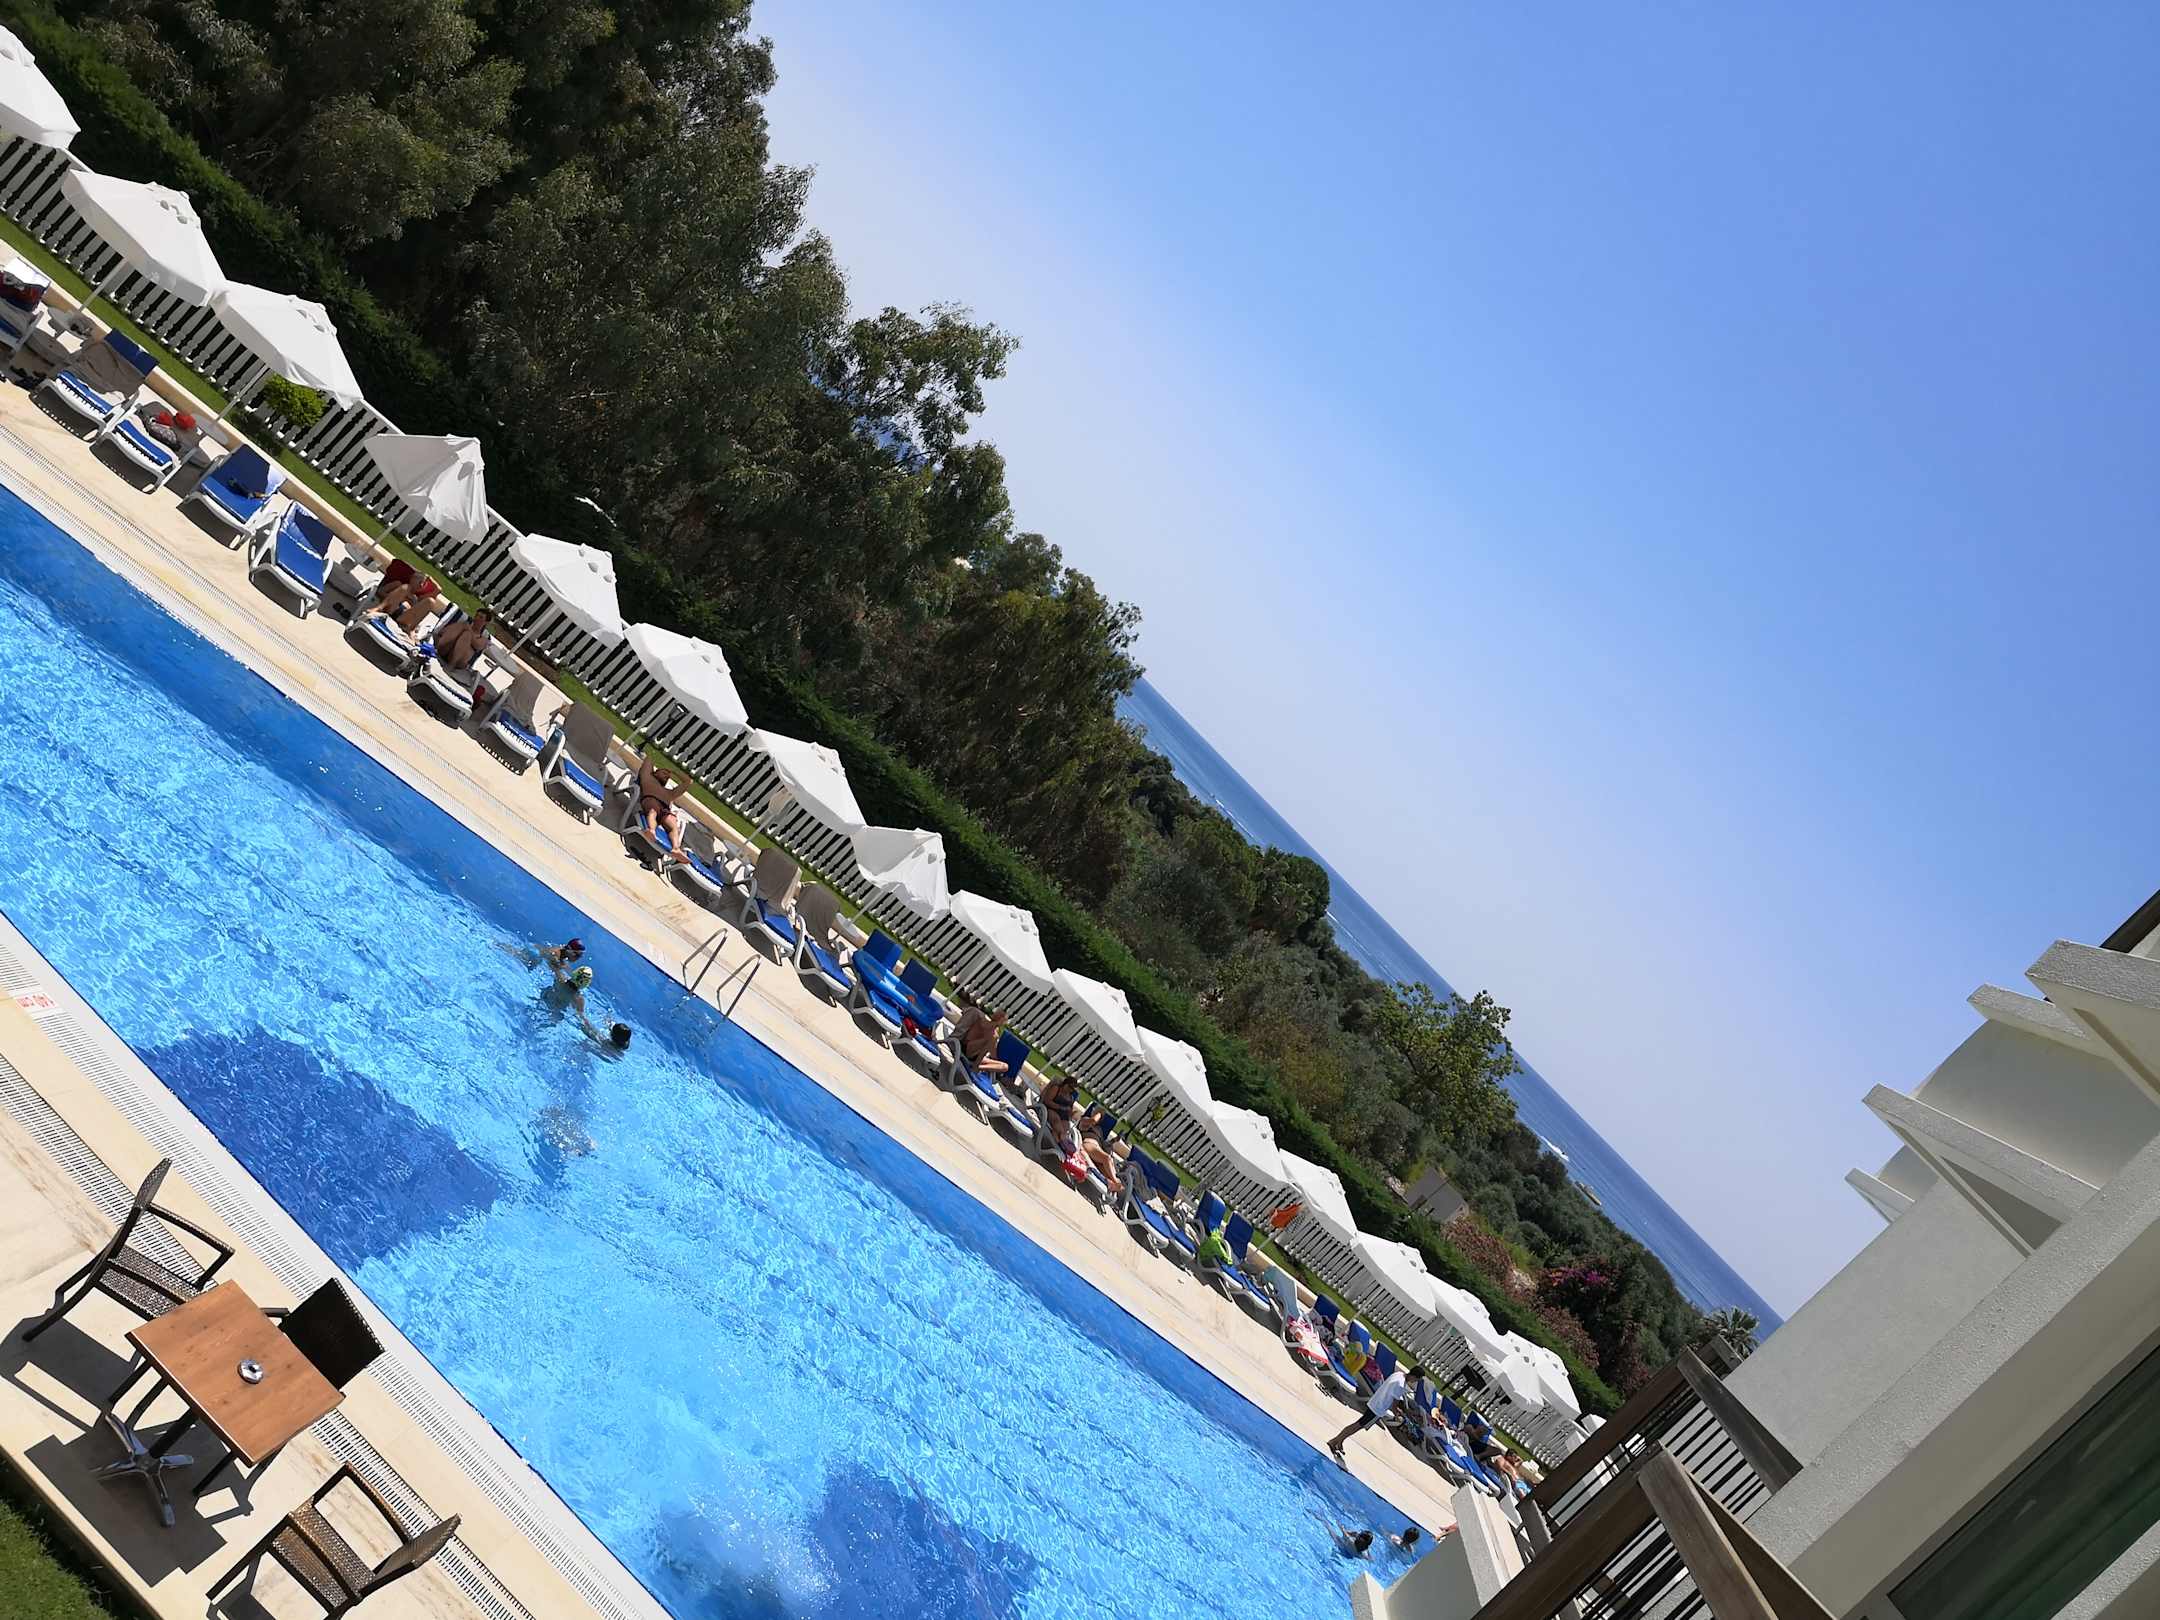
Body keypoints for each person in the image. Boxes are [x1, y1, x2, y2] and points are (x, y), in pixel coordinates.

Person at [1329, 1359, 1419, 1463]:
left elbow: (1391, 1397)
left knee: (1359, 1424)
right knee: (1358, 1425)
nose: (1415, 1382)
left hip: (1375, 1401)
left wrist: (1399, 1412)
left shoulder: (1398, 1374)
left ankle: (1340, 1441)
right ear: (1414, 1377)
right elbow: (1394, 1406)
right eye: (1416, 1380)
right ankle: (1335, 1441)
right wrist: (1398, 1417)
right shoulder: (1401, 1385)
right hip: (1378, 1409)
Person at [635, 758, 689, 861]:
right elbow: (649, 759)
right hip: (651, 801)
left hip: (664, 810)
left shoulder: (670, 793)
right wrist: (663, 762)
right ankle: (651, 830)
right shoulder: (647, 777)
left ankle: (676, 848)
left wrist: (674, 771)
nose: (667, 775)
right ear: (655, 772)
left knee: (673, 824)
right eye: (664, 772)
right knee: (653, 811)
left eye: (668, 776)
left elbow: (688, 782)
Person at [947, 1003, 1008, 1075]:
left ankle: (978, 1067)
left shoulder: (981, 1019)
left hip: (969, 1050)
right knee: (1003, 1066)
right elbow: (988, 1053)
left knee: (1005, 1066)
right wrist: (976, 1066)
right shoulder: (992, 1033)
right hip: (969, 1053)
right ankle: (977, 1067)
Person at [430, 608, 493, 674]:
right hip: (445, 650)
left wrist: (469, 630)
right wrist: (460, 629)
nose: (477, 618)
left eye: (481, 617)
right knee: (461, 627)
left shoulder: (483, 638)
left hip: (459, 662)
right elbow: (443, 631)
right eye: (476, 615)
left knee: (467, 635)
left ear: (486, 622)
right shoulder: (464, 625)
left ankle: (451, 665)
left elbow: (478, 645)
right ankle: (437, 648)